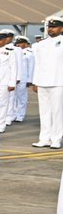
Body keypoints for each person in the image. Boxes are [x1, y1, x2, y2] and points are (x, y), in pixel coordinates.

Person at [31, 17, 63, 148]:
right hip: (43, 81)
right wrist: (35, 81)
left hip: (58, 81)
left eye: (54, 27)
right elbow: (37, 64)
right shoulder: (41, 44)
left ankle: (56, 139)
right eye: (49, 26)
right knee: (44, 112)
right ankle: (44, 138)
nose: (51, 29)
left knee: (57, 112)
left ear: (61, 28)